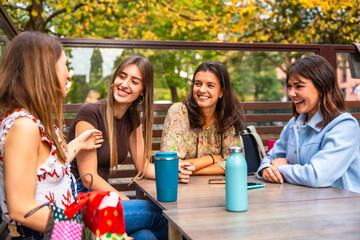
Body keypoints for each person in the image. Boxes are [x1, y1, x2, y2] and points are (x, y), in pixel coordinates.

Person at [0, 32, 104, 239]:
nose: (69, 74)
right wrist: (92, 235)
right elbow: (22, 209)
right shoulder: (23, 127)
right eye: (65, 64)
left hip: (61, 225)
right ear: (43, 70)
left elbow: (43, 169)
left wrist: (76, 145)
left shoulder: (33, 121)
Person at [68, 55, 173, 240]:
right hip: (81, 202)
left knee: (146, 236)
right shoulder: (90, 113)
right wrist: (122, 200)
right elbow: (88, 178)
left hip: (103, 199)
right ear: (114, 79)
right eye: (122, 76)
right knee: (160, 214)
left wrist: (175, 172)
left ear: (143, 91)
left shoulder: (132, 119)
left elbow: (143, 167)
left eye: (134, 81)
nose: (124, 84)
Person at [257, 55, 360, 193]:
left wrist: (281, 168)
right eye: (289, 86)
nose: (291, 93)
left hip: (340, 208)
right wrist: (267, 169)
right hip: (301, 202)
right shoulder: (293, 124)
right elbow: (270, 158)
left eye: (299, 86)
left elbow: (318, 175)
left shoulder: (345, 126)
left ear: (322, 88)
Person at [161, 60, 245, 175]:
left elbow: (232, 163)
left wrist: (191, 171)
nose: (202, 90)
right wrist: (212, 158)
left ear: (221, 92)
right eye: (198, 84)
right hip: (181, 187)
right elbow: (171, 165)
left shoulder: (228, 117)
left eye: (210, 85)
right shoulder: (178, 113)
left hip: (216, 189)